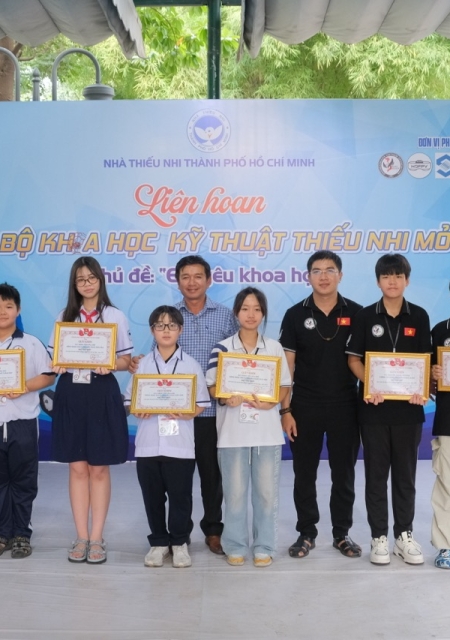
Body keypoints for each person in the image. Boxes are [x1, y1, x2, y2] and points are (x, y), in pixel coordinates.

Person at [131, 255, 238, 554]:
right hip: (174, 415)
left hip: (211, 410)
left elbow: (236, 356)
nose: (192, 282)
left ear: (209, 280)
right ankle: (180, 534)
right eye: (185, 277)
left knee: (211, 476)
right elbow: (156, 361)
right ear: (177, 281)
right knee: (178, 479)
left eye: (198, 276)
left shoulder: (225, 316)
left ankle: (213, 530)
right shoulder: (169, 316)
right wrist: (139, 364)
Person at [347, 253, 431, 565]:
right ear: (378, 281)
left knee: (406, 476)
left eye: (398, 276)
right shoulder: (365, 316)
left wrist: (422, 389)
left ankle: (404, 536)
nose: (392, 281)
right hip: (374, 410)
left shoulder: (419, 316)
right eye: (386, 276)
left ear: (407, 280)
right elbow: (353, 359)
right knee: (376, 475)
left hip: (409, 411)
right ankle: (378, 536)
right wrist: (370, 385)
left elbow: (425, 361)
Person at [48, 257, 133, 564]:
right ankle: (81, 536)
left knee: (98, 467)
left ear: (100, 280)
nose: (87, 283)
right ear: (74, 283)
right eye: (81, 279)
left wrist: (111, 364)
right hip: (71, 392)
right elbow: (53, 360)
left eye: (92, 277)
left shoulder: (114, 316)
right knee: (77, 467)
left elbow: (126, 360)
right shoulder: (64, 317)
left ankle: (97, 537)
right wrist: (57, 364)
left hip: (101, 392)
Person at [279, 250, 362, 559]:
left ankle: (342, 533)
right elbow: (287, 367)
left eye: (329, 270)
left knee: (344, 474)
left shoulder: (357, 313)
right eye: (317, 270)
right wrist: (285, 410)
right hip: (305, 405)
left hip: (346, 406)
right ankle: (306, 532)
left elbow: (366, 361)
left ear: (340, 275)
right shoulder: (294, 314)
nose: (323, 276)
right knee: (304, 473)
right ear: (308, 276)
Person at [206, 287, 291, 566]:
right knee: (234, 495)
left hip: (267, 433)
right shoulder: (222, 348)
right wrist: (225, 397)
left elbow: (284, 385)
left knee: (266, 495)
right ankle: (235, 545)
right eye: (245, 309)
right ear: (236, 313)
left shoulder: (274, 348)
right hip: (232, 434)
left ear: (263, 313)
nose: (251, 314)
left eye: (256, 309)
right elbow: (212, 386)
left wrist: (271, 403)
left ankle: (264, 546)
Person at [124, 306, 210, 568]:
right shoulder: (142, 365)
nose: (166, 330)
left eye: (171, 325)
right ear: (152, 330)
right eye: (160, 325)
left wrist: (187, 412)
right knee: (152, 497)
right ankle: (159, 542)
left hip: (179, 445)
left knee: (180, 496)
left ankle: (180, 542)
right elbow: (129, 401)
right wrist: (137, 408)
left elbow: (201, 403)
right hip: (148, 444)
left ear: (180, 330)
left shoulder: (191, 364)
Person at [0, 283, 55, 558]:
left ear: (18, 310)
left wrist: (23, 386)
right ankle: (2, 533)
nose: (3, 311)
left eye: (8, 306)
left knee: (23, 480)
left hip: (23, 421)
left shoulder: (31, 343)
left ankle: (22, 532)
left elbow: (48, 375)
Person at [429, 300, 450, 569]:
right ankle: (446, 545)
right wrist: (432, 376)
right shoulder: (439, 330)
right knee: (447, 483)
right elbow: (428, 384)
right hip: (448, 419)